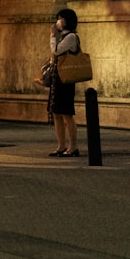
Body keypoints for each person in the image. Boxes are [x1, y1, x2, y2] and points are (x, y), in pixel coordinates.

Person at [47, 8, 81, 157]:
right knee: (57, 113)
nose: (58, 22)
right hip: (57, 79)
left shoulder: (71, 37)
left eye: (61, 19)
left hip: (66, 80)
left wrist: (52, 36)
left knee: (67, 114)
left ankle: (73, 147)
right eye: (58, 18)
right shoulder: (63, 36)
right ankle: (61, 145)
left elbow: (56, 51)